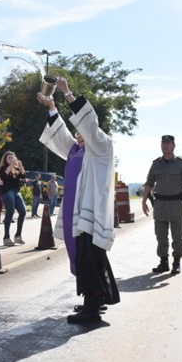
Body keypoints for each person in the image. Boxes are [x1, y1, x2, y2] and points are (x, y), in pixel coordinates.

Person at [39, 77, 119, 324]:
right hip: (76, 214)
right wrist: (52, 107)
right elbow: (60, 135)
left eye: (83, 131)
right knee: (88, 258)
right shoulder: (76, 150)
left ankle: (92, 308)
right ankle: (98, 298)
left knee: (89, 258)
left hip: (90, 213)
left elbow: (91, 125)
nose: (79, 134)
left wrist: (67, 93)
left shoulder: (101, 147)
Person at [142, 135, 182, 275]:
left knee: (177, 236)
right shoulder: (156, 164)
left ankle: (176, 263)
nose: (165, 145)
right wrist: (143, 201)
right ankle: (163, 262)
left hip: (176, 204)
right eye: (163, 143)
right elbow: (149, 183)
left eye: (168, 143)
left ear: (173, 146)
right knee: (161, 236)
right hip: (160, 204)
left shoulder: (181, 164)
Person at [0, 151, 27, 246]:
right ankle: (6, 237)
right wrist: (11, 166)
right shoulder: (3, 168)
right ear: (5, 159)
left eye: (12, 157)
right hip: (7, 191)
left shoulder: (16, 168)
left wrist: (21, 167)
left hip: (15, 191)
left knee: (23, 212)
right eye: (9, 158)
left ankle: (18, 236)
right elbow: (3, 177)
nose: (11, 159)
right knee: (10, 212)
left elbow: (23, 176)